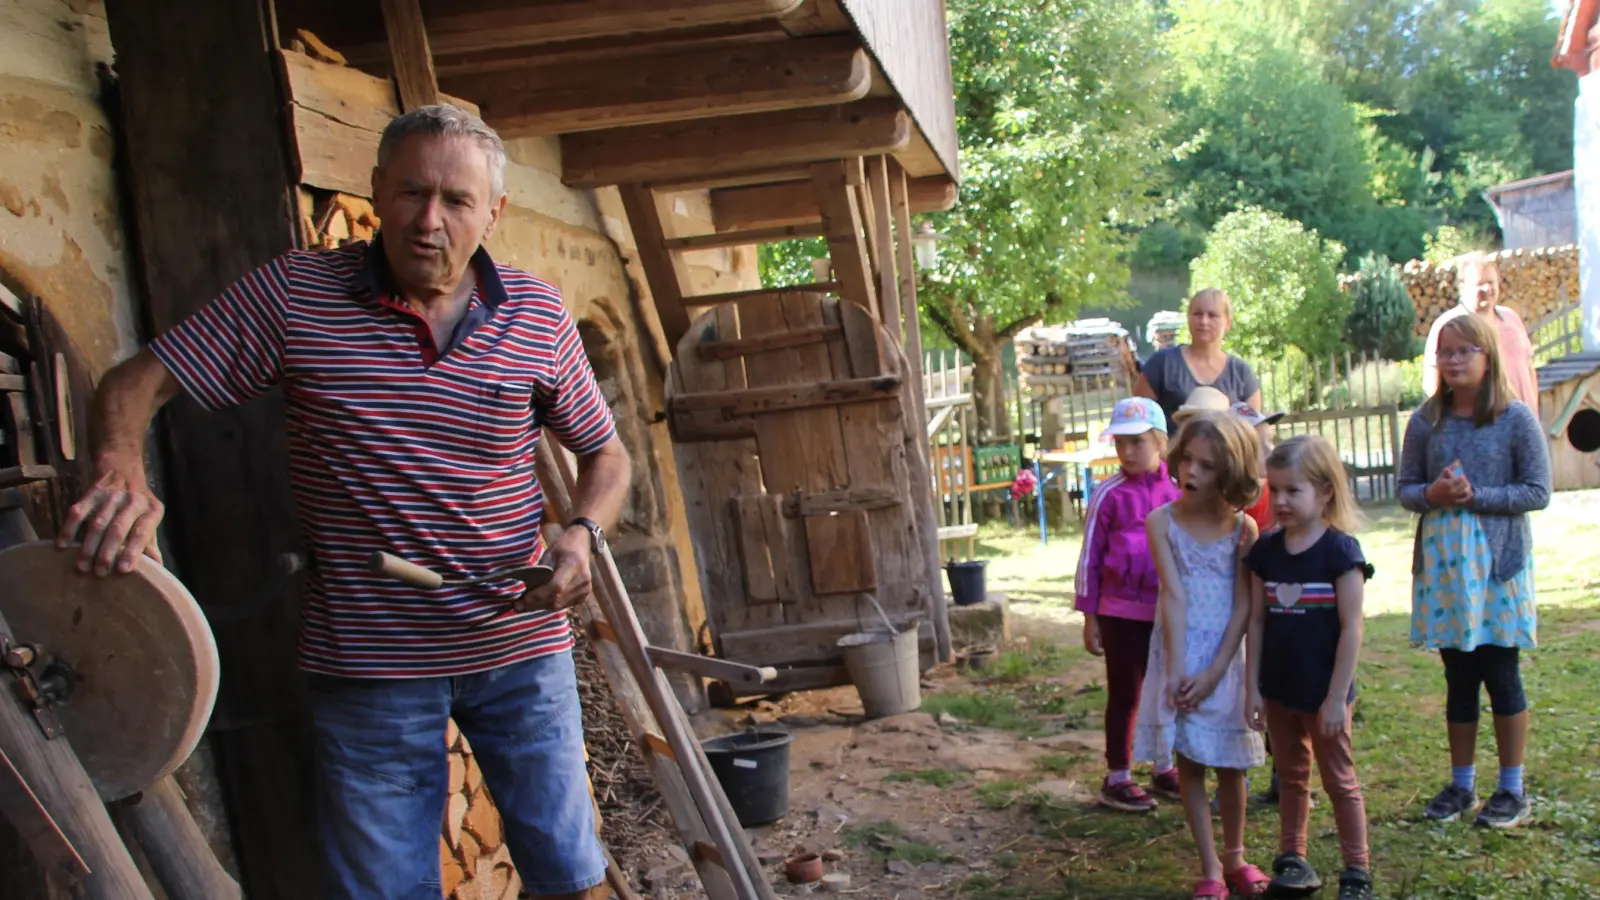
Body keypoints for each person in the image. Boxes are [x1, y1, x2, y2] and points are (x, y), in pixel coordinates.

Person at [55, 105, 631, 900]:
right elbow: (134, 383)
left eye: (457, 202)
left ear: (493, 213)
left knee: (570, 874)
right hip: (369, 665)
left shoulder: (535, 314)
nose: (428, 221)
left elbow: (606, 454)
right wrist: (120, 471)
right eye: (410, 193)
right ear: (375, 192)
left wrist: (579, 534)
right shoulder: (298, 296)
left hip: (520, 650)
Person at [1399, 312, 1551, 830]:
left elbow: (1538, 491)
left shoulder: (1515, 419)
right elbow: (1406, 489)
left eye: (1465, 351)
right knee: (1458, 677)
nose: (1454, 360)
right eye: (1446, 351)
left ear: (1488, 356)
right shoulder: (1425, 420)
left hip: (1498, 568)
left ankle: (1512, 788)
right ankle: (1461, 785)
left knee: (1501, 673)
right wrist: (1432, 496)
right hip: (1445, 572)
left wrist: (1476, 496)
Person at [1133, 412, 1268, 899]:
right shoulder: (1160, 523)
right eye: (1187, 460)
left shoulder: (1245, 530)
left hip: (1225, 658)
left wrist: (1215, 671)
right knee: (1189, 762)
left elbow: (1244, 606)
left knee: (1232, 764)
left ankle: (1236, 856)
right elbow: (1173, 596)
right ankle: (1210, 868)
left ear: (1230, 472)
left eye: (1206, 466)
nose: (1191, 473)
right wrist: (1179, 668)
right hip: (1180, 650)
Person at [1244, 435, 1375, 900]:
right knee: (1292, 777)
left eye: (1292, 490)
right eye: (1273, 489)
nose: (1279, 500)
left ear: (1324, 492)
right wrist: (1253, 688)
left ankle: (1357, 870)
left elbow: (1352, 628)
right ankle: (1292, 859)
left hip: (1326, 695)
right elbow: (1256, 622)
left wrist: (1337, 697)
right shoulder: (1265, 552)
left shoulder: (1341, 553)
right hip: (1279, 689)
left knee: (1340, 780)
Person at [1074, 397, 1182, 812]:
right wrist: (1091, 616)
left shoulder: (1176, 493)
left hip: (1166, 611)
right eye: (1120, 442)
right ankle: (1117, 774)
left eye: (1137, 442)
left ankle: (1163, 764)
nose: (1128, 451)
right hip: (1119, 612)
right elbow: (1090, 558)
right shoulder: (1108, 494)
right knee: (1127, 693)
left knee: (1167, 690)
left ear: (1159, 442)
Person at [1421, 253, 1539, 410]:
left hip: (1522, 422)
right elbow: (1431, 381)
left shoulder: (1511, 319)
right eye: (1480, 283)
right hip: (1479, 426)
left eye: (1491, 282)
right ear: (1463, 288)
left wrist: (1533, 411)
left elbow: (1528, 368)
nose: (1487, 289)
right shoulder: (1448, 326)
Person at [1135, 288, 1263, 431]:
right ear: (1188, 318)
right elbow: (1139, 422)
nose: (1203, 321)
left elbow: (1252, 433)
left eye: (1212, 315)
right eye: (1197, 314)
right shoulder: (1162, 364)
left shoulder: (1242, 374)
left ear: (1227, 323)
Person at [1231, 402, 1284, 535]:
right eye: (1258, 443)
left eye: (1270, 440)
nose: (1270, 449)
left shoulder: (1279, 492)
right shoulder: (1223, 501)